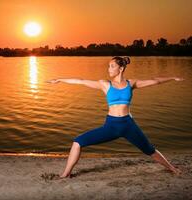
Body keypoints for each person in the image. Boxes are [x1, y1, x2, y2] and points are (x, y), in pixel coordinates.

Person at [46, 56, 184, 178]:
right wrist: (59, 79)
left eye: (112, 66)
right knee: (78, 142)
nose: (109, 69)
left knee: (150, 150)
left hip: (128, 126)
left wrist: (172, 78)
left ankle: (172, 169)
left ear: (121, 68)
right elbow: (80, 81)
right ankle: (66, 174)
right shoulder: (105, 84)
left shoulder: (131, 84)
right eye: (108, 66)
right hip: (111, 126)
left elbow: (155, 81)